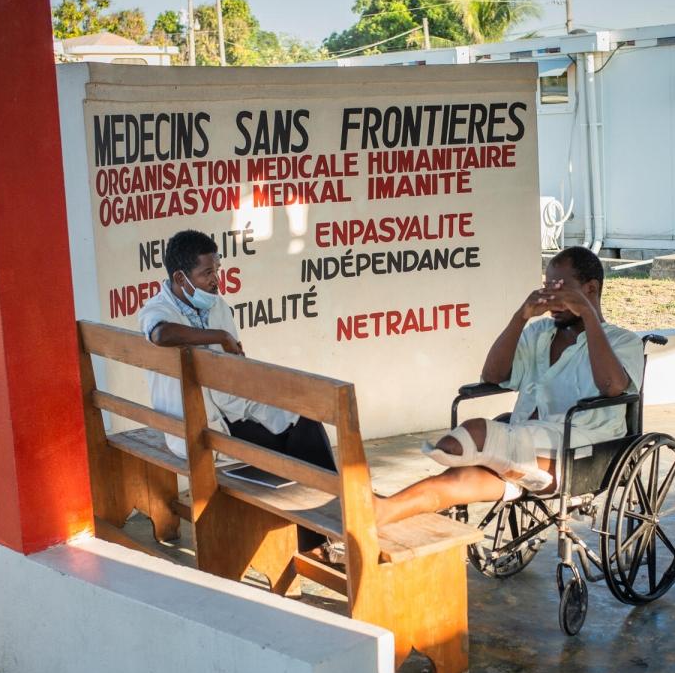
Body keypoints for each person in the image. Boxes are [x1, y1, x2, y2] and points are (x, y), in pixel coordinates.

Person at [373, 246, 644, 526]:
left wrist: (588, 316)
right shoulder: (539, 334)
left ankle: (482, 453)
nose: (551, 296)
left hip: (585, 449)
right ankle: (382, 512)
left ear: (590, 289)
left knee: (475, 433)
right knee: (455, 480)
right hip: (526, 443)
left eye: (561, 287)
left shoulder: (624, 341)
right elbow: (492, 375)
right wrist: (521, 317)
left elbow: (612, 387)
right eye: (547, 286)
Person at [138, 229, 339, 560]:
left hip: (231, 410)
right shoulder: (157, 310)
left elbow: (234, 366)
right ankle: (323, 533)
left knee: (305, 423)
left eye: (216, 270)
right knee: (296, 451)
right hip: (197, 429)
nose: (215, 280)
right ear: (180, 277)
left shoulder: (218, 306)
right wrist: (217, 336)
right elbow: (160, 335)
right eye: (206, 273)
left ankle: (325, 527)